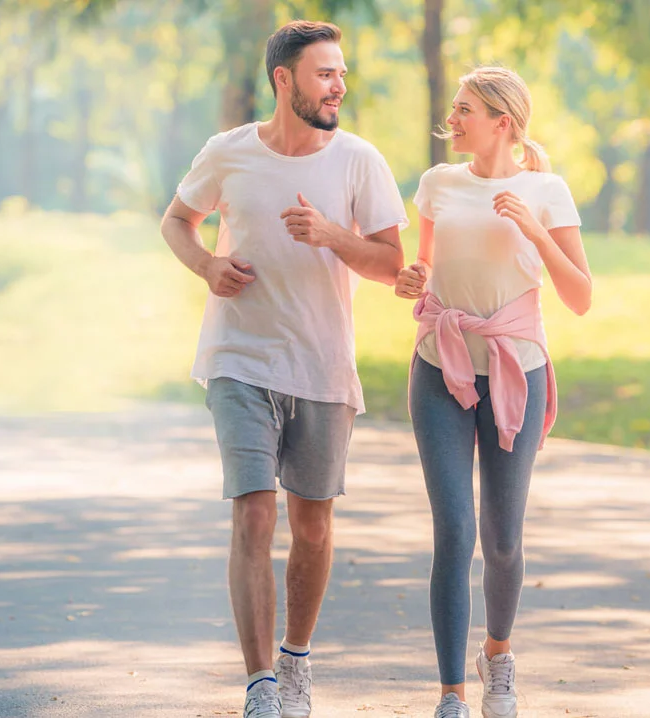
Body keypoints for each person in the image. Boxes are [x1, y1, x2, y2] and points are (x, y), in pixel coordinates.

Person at [159, 19, 408, 718]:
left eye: (341, 74)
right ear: (284, 80)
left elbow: (393, 265)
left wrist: (331, 235)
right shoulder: (228, 152)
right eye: (325, 73)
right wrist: (207, 263)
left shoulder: (359, 160)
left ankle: (296, 660)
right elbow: (177, 221)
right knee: (254, 514)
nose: (339, 86)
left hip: (323, 365)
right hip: (238, 358)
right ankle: (261, 684)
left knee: (314, 526)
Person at [392, 65, 593, 718]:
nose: (453, 118)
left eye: (465, 109)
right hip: (441, 366)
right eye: (454, 107)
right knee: (454, 529)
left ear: (501, 122)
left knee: (502, 537)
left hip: (517, 369)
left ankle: (497, 660)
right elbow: (421, 273)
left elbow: (580, 297)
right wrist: (411, 280)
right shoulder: (437, 184)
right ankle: (451, 693)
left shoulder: (547, 189)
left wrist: (534, 230)